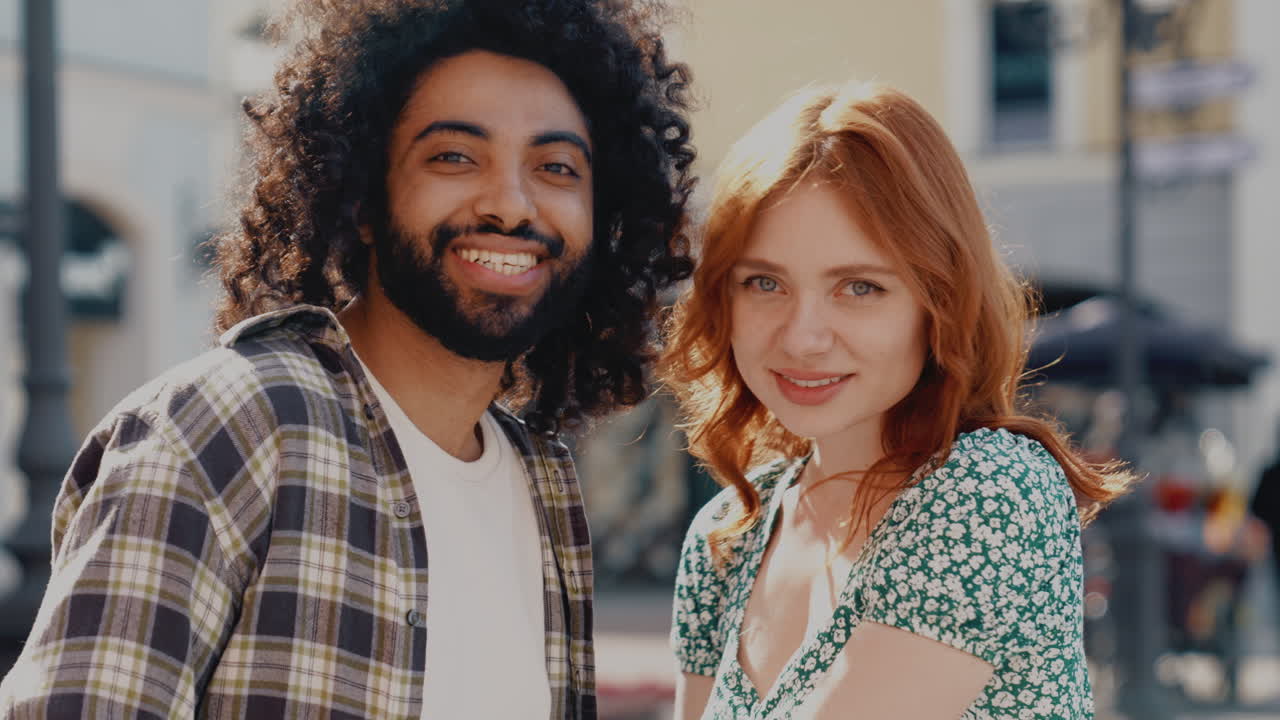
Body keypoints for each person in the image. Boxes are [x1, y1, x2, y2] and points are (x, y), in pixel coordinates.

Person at [0, 0, 695, 717]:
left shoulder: (540, 484)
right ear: (363, 199)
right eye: (455, 156)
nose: (511, 205)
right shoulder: (228, 428)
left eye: (556, 167)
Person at [660, 82, 1133, 719]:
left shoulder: (988, 491)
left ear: (939, 303)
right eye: (764, 283)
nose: (802, 337)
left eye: (859, 287)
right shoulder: (726, 538)